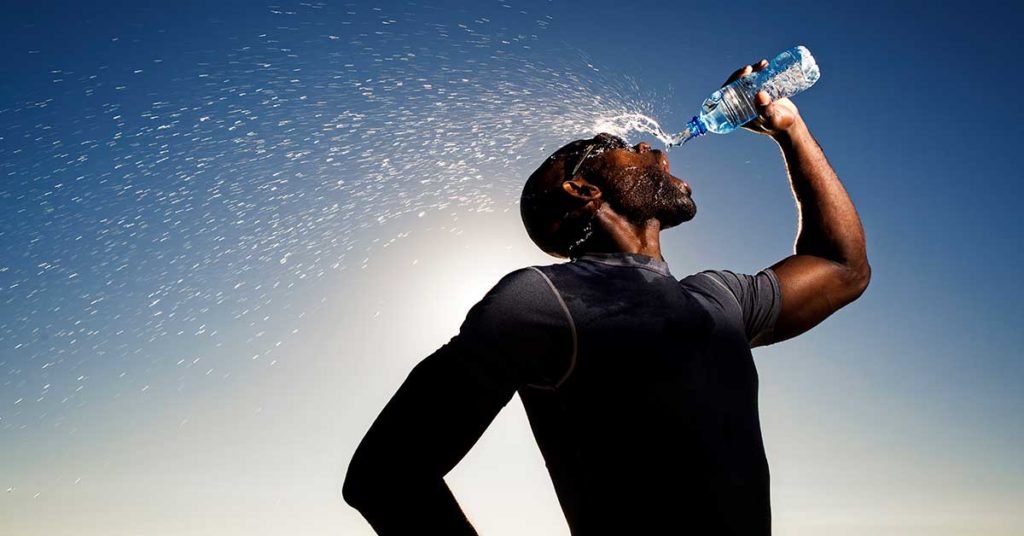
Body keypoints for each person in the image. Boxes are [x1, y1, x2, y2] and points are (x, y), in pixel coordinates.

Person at [342, 58, 870, 535]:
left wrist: (790, 130)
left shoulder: (719, 299)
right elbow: (385, 476)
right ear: (583, 190)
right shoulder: (542, 301)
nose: (647, 146)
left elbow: (842, 268)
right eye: (617, 144)